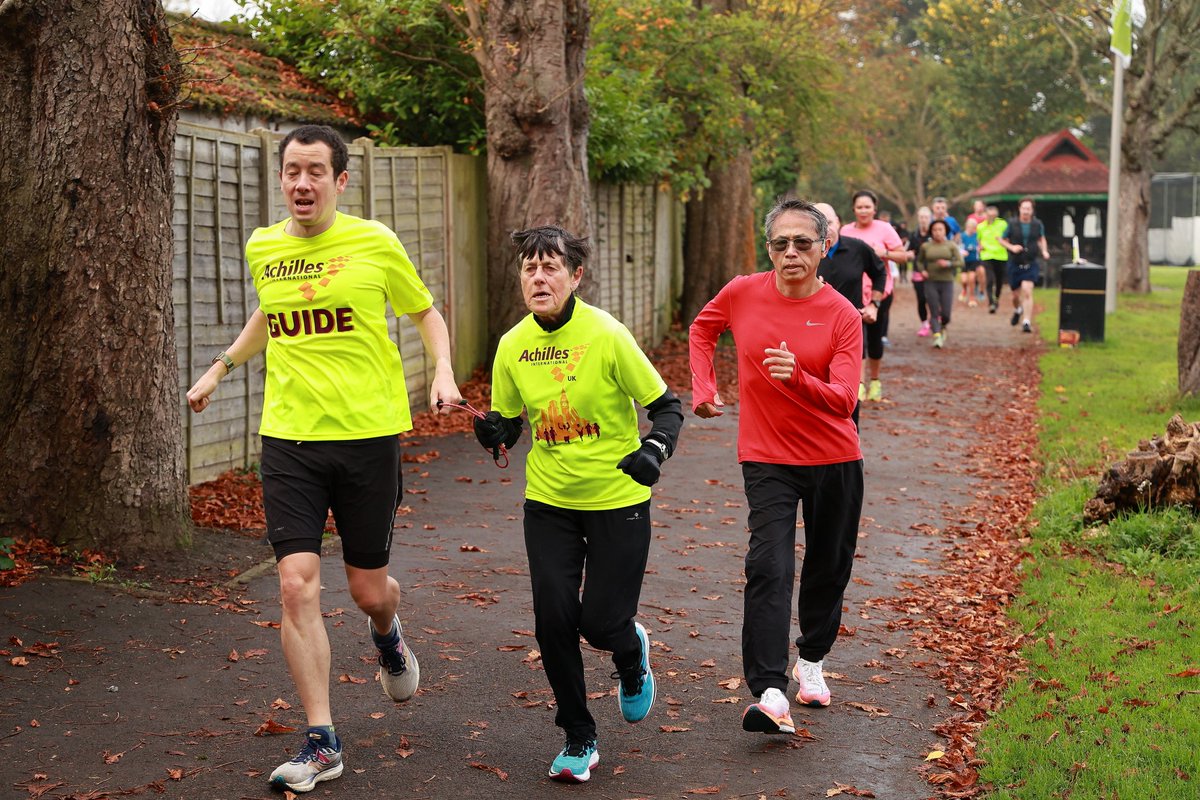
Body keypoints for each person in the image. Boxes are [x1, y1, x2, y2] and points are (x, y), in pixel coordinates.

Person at [186, 125, 462, 793]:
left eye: (315, 171)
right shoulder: (264, 247)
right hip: (289, 439)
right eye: (291, 171)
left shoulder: (375, 243)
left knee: (368, 590)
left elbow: (425, 312)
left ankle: (388, 632)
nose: (302, 183)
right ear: (280, 180)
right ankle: (321, 739)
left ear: (340, 181)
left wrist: (443, 371)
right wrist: (221, 367)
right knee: (295, 583)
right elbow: (269, 314)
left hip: (368, 438)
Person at [475, 226, 683, 783]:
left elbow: (668, 407)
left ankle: (630, 653)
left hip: (618, 498)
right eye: (529, 268)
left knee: (600, 623)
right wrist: (498, 433)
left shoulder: (607, 334)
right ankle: (578, 734)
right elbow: (514, 422)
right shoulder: (512, 345)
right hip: (549, 502)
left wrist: (654, 450)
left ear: (575, 276)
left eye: (550, 267)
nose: (538, 277)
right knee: (553, 620)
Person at [689, 198, 864, 737]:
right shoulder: (743, 291)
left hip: (835, 456)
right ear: (769, 249)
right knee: (769, 565)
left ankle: (811, 657)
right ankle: (769, 690)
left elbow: (843, 400)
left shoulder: (842, 314)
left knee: (828, 565)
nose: (791, 252)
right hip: (767, 456)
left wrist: (796, 380)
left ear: (823, 248)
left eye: (802, 243)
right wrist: (704, 387)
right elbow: (702, 330)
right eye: (780, 243)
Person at [832, 192, 901, 403]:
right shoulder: (844, 231)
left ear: (874, 208)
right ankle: (858, 384)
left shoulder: (884, 229)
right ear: (853, 209)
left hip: (879, 292)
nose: (863, 211)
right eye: (859, 207)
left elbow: (903, 255)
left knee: (874, 339)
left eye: (867, 207)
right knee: (856, 341)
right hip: (853, 294)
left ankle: (875, 380)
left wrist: (884, 253)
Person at [999, 197, 1050, 333]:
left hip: (1031, 261)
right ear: (1019, 209)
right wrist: (1011, 247)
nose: (1026, 211)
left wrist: (1044, 251)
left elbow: (1041, 239)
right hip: (1015, 262)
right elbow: (1002, 240)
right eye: (1024, 208)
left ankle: (1026, 321)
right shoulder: (1012, 223)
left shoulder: (1037, 224)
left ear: (1032, 210)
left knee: (1027, 290)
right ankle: (1018, 309)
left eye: (1029, 209)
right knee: (1015, 295)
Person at [915, 218, 964, 348]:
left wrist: (948, 263)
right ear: (931, 231)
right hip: (930, 281)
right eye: (934, 230)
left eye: (940, 229)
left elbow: (960, 262)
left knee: (946, 314)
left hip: (947, 281)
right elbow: (919, 261)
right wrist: (923, 271)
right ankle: (936, 335)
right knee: (934, 310)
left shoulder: (951, 245)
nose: (937, 232)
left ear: (945, 231)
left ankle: (943, 327)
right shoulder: (926, 246)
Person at [977, 205, 1009, 313]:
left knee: (999, 280)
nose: (991, 215)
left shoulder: (1003, 224)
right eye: (989, 212)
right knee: (990, 279)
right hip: (987, 255)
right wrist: (980, 246)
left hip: (1001, 255)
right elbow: (979, 239)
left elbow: (1007, 238)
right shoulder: (980, 226)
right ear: (986, 214)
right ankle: (991, 302)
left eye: (993, 212)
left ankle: (996, 298)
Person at [908, 206, 934, 336]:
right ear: (918, 218)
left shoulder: (935, 233)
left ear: (930, 218)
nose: (923, 220)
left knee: (933, 298)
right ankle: (925, 324)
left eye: (926, 217)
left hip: (933, 272)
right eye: (921, 217)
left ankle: (935, 320)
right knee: (921, 299)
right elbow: (911, 250)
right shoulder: (914, 235)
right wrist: (909, 254)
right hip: (918, 271)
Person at [960, 216, 982, 306]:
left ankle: (972, 297)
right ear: (967, 227)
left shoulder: (977, 236)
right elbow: (957, 247)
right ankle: (964, 290)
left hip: (974, 260)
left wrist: (980, 248)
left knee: (972, 278)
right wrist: (962, 252)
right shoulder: (962, 236)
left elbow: (980, 245)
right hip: (964, 261)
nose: (972, 229)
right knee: (964, 280)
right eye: (970, 227)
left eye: (973, 228)